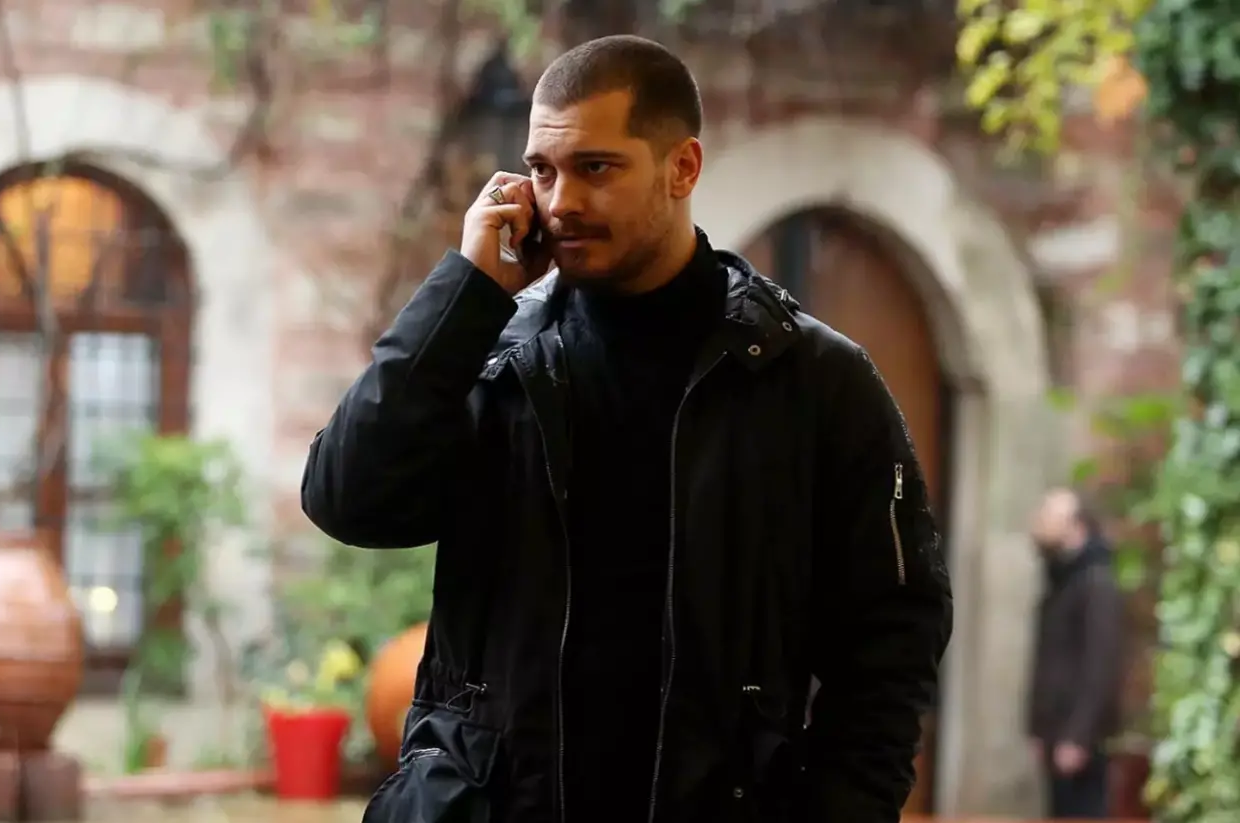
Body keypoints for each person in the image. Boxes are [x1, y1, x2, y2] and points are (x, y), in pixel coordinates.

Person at [303, 34, 953, 823]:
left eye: (596, 168)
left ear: (683, 168)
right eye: (543, 170)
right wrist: (467, 290)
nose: (560, 202)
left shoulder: (813, 380)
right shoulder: (491, 356)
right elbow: (348, 500)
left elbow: (891, 641)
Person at [1027, 487, 1124, 819]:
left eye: (1050, 515)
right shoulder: (1061, 579)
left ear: (1076, 525)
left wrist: (1078, 736)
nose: (1040, 521)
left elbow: (1101, 665)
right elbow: (1049, 659)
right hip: (1055, 735)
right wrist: (1039, 728)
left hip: (1078, 739)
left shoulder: (1096, 582)